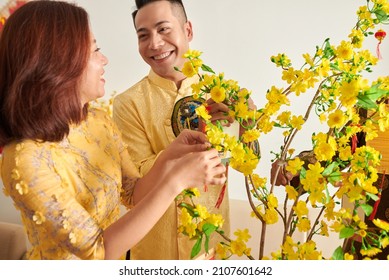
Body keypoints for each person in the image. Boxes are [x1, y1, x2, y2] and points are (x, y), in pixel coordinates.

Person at [0, 0, 226, 260]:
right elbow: (98, 252)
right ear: (58, 63)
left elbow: (132, 193)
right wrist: (175, 181)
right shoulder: (23, 159)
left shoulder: (97, 121)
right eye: (94, 50)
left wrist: (170, 155)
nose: (104, 59)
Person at [112, 0, 235, 260]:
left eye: (164, 29)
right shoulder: (128, 103)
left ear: (188, 31)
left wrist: (245, 126)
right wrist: (173, 157)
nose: (154, 44)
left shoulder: (220, 92)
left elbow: (245, 161)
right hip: (154, 255)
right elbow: (135, 194)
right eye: (143, 35)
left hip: (212, 249)